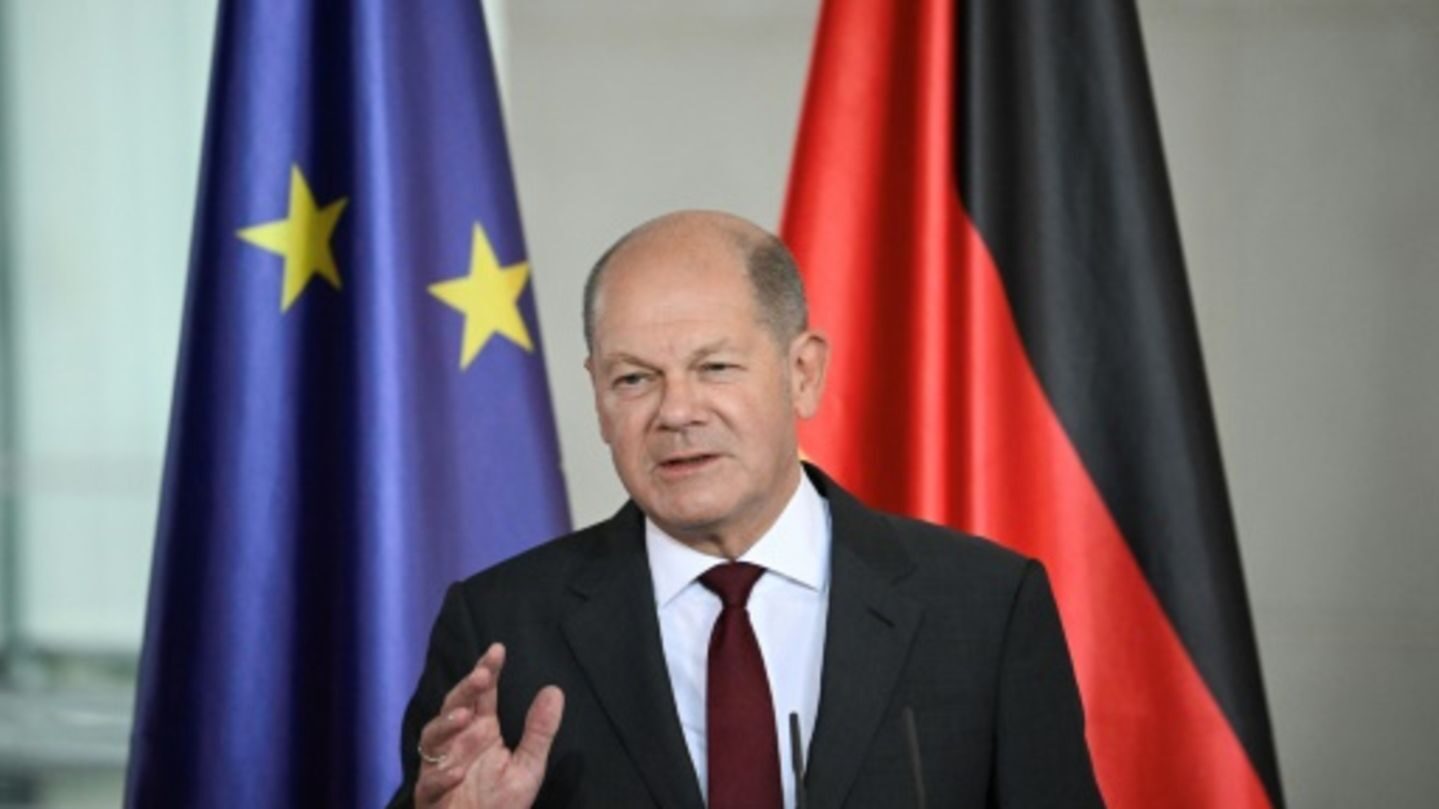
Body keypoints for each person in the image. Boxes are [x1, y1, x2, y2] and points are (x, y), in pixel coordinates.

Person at [388, 211, 1103, 808]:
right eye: (634, 378)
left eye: (715, 367)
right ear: (598, 398)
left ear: (803, 373)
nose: (676, 411)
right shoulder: (500, 627)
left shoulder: (985, 609)